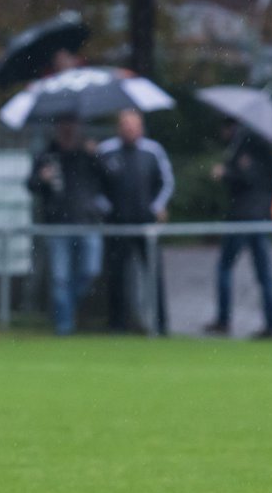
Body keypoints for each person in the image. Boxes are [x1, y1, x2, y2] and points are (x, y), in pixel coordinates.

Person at [26, 116, 109, 335]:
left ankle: (68, 309)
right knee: (60, 279)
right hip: (57, 225)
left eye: (72, 125)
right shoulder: (46, 155)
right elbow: (30, 185)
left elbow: (110, 178)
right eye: (64, 125)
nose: (68, 130)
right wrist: (41, 178)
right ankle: (64, 326)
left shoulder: (89, 153)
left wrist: (97, 156)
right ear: (57, 128)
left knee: (90, 272)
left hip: (87, 222)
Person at [203, 119, 272, 339]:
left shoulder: (247, 148)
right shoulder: (261, 149)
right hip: (258, 216)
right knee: (264, 274)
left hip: (243, 217)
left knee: (225, 267)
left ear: (230, 128)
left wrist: (225, 173)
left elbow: (249, 179)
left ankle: (223, 320)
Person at [98, 109, 175, 333]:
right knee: (116, 276)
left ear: (140, 127)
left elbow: (167, 182)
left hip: (146, 224)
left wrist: (156, 207)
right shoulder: (106, 151)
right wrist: (108, 210)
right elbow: (96, 187)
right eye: (125, 124)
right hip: (117, 224)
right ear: (119, 127)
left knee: (154, 274)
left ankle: (161, 325)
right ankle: (117, 325)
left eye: (134, 125)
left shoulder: (153, 151)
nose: (129, 129)